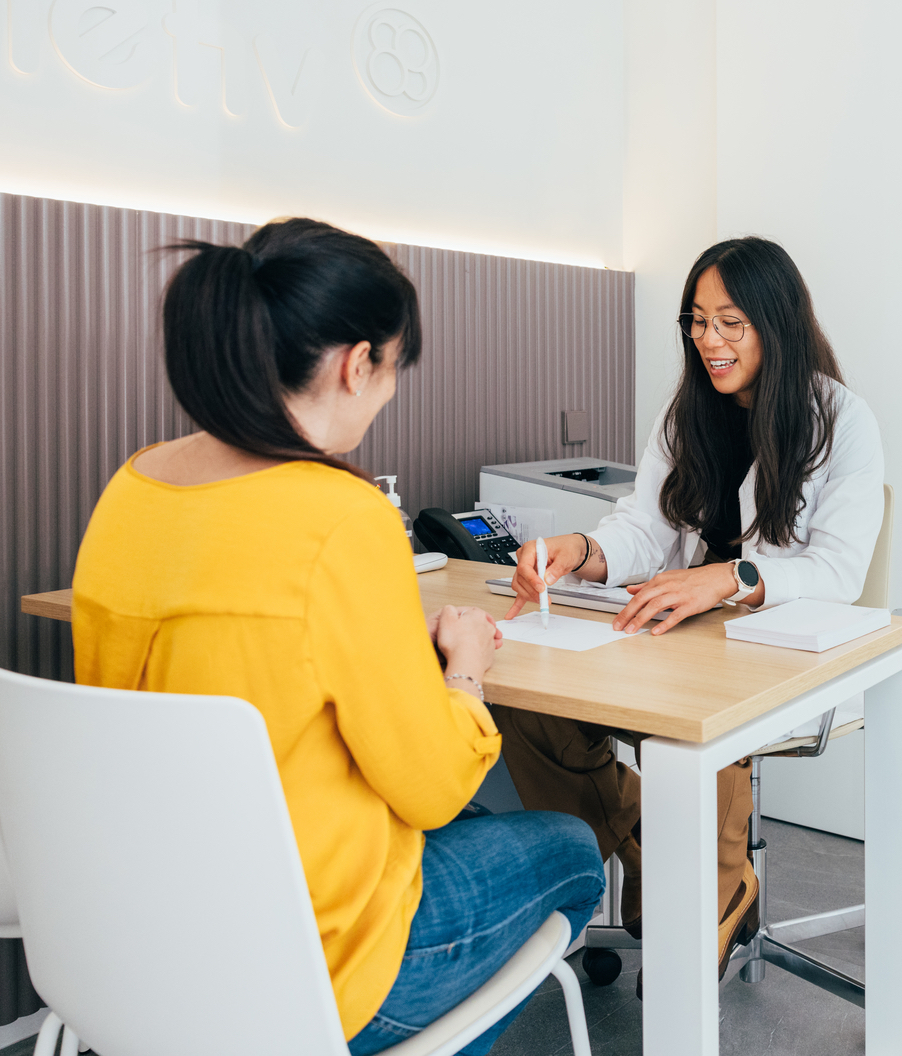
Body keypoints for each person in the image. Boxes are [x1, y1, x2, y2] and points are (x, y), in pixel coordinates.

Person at [70, 218, 605, 1055]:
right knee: (571, 849)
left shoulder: (130, 489)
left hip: (138, 943)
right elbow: (428, 791)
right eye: (394, 369)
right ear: (359, 363)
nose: (389, 390)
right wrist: (461, 672)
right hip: (305, 968)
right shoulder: (341, 518)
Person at [496, 236, 884, 991]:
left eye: (730, 322)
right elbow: (642, 527)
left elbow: (838, 571)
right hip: (663, 642)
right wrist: (581, 548)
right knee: (523, 700)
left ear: (778, 323)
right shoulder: (687, 415)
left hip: (770, 657)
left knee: (703, 723)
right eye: (697, 321)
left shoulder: (841, 420)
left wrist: (727, 578)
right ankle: (655, 842)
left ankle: (711, 875)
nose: (709, 341)